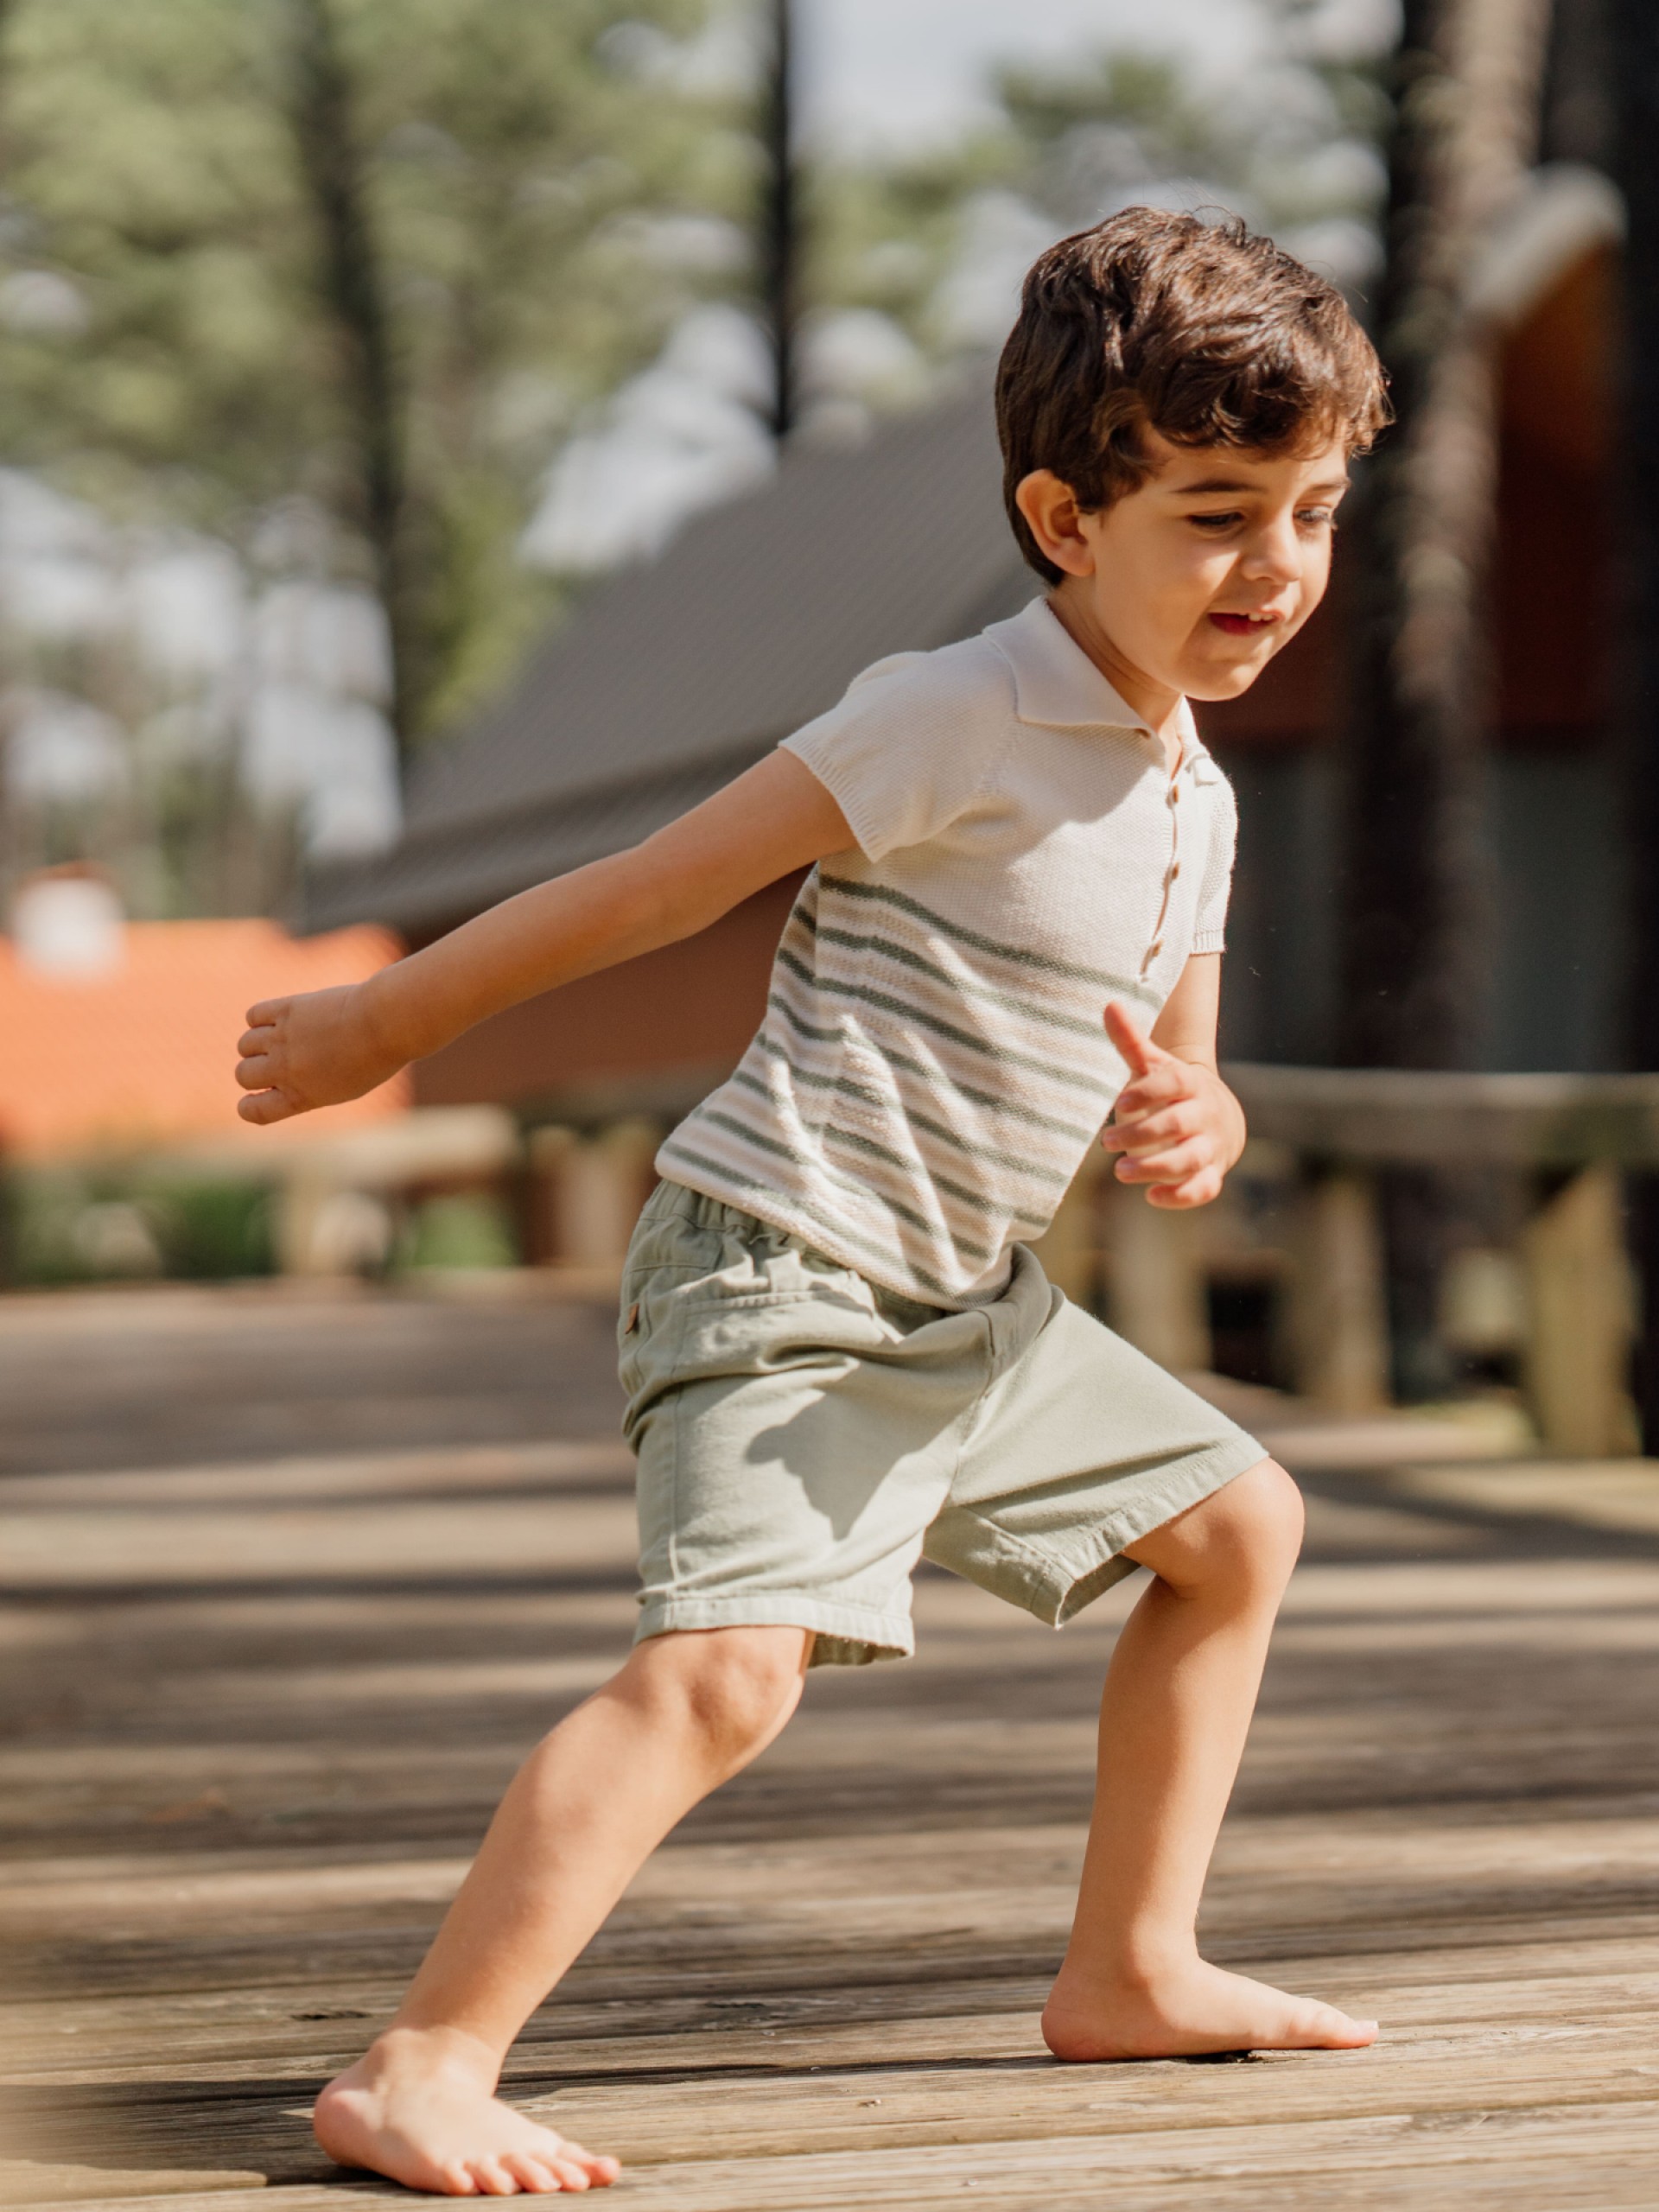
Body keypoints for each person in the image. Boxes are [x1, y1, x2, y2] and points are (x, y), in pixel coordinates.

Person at [235, 207, 1390, 2196]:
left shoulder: (1191, 789)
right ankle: (423, 2058)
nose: (1276, 565)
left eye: (1314, 512)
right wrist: (380, 1020)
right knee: (726, 1672)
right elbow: (653, 889)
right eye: (1216, 515)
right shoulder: (952, 710)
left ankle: (1130, 1960)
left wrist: (1194, 1118)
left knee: (1237, 1526)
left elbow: (1179, 1054)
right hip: (780, 1264)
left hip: (966, 1304)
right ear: (1064, 518)